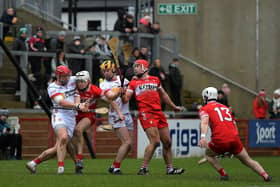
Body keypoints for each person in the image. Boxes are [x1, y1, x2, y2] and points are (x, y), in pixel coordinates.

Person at [122, 59, 184, 175]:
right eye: (134, 66)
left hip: (159, 112)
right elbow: (126, 99)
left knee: (167, 142)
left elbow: (164, 94)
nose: (135, 68)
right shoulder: (133, 83)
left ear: (145, 67)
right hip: (146, 113)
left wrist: (173, 106)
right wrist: (122, 93)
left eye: (137, 66)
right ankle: (143, 168)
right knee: (155, 141)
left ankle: (170, 169)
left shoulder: (155, 80)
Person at [199, 87, 272, 181]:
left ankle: (224, 175)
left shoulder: (204, 109)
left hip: (220, 139)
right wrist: (231, 145)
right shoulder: (225, 108)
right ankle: (265, 175)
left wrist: (203, 137)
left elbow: (204, 122)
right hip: (234, 138)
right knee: (248, 160)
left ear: (205, 97)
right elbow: (234, 125)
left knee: (208, 154)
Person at [26, 65, 87, 174]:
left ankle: (33, 163)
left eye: (68, 75)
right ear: (58, 76)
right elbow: (61, 102)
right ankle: (61, 168)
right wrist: (77, 106)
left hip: (71, 117)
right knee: (63, 138)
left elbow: (85, 78)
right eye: (64, 76)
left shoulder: (72, 79)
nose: (67, 78)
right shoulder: (52, 87)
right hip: (59, 114)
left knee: (58, 147)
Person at [73, 70, 122, 174]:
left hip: (89, 115)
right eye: (78, 81)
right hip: (75, 115)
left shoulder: (95, 90)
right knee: (69, 138)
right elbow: (75, 102)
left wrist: (119, 113)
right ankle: (75, 162)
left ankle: (79, 159)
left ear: (88, 81)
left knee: (78, 130)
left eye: (82, 81)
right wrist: (80, 106)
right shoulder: (75, 89)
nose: (80, 83)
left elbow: (110, 100)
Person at [99, 60, 134, 175]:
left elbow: (125, 100)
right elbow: (111, 99)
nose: (106, 73)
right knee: (126, 142)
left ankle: (114, 165)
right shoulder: (103, 84)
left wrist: (124, 93)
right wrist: (119, 91)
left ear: (113, 69)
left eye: (108, 70)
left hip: (127, 113)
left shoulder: (123, 80)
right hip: (116, 115)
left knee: (129, 146)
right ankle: (116, 168)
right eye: (104, 71)